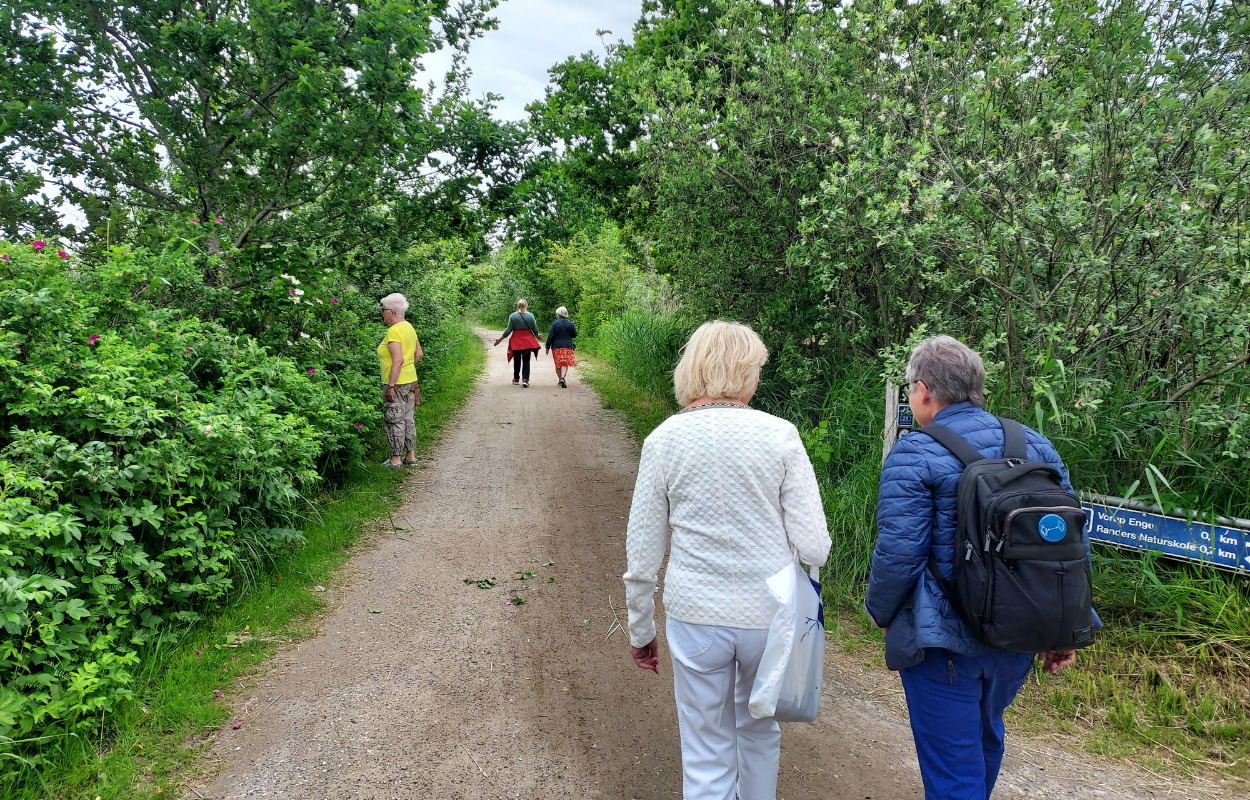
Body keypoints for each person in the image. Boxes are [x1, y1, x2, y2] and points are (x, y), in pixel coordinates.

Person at [865, 335, 1092, 800]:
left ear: (923, 390)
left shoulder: (914, 452)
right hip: (1019, 634)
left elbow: (899, 553)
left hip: (944, 641)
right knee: (985, 741)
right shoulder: (1035, 445)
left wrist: (882, 614)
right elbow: (1070, 546)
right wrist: (1067, 628)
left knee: (953, 768)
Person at [623, 321, 831, 800]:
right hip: (769, 617)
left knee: (705, 750)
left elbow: (643, 551)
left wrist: (640, 629)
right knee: (759, 731)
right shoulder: (780, 435)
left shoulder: (663, 440)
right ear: (746, 373)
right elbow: (815, 547)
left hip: (696, 616)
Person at [377, 293, 423, 468]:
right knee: (408, 418)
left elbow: (398, 360)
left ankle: (395, 460)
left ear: (392, 311)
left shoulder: (394, 331)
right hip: (410, 380)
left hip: (396, 383)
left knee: (394, 420)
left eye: (383, 309)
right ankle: (411, 457)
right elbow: (419, 354)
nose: (382, 313)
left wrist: (391, 385)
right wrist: (407, 370)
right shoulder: (409, 327)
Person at [493, 299, 541, 387]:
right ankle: (525, 380)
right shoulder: (531, 316)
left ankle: (516, 379)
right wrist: (537, 335)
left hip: (516, 340)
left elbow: (508, 330)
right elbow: (535, 328)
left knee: (517, 359)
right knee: (526, 360)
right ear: (526, 306)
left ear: (518, 306)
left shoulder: (513, 316)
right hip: (527, 341)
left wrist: (499, 340)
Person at [545, 306, 576, 388]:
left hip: (556, 347)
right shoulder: (570, 323)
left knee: (558, 364)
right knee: (564, 363)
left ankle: (560, 380)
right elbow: (574, 334)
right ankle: (563, 378)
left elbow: (550, 336)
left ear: (558, 314)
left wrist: (547, 346)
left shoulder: (555, 324)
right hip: (567, 346)